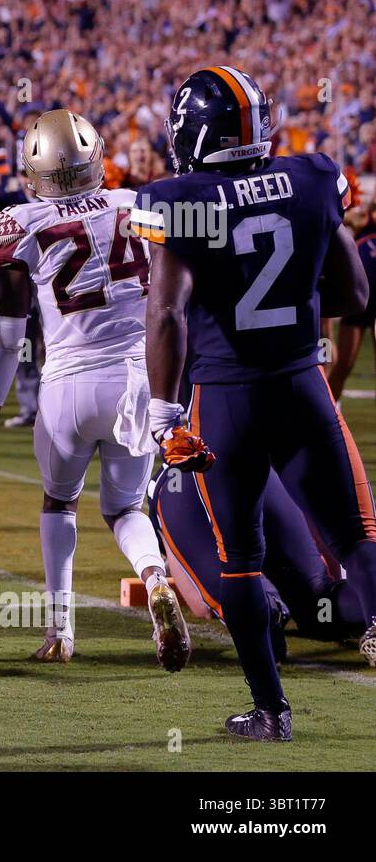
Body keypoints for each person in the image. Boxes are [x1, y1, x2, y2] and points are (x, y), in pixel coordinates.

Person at [143, 66, 376, 741]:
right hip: (302, 385)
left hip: (225, 397)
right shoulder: (311, 178)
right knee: (357, 535)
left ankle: (271, 712)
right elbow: (356, 296)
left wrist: (163, 413)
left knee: (240, 556)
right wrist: (291, 312)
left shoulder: (178, 198)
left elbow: (166, 313)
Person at [0, 108, 189, 670]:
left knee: (59, 499)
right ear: (97, 158)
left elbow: (8, 336)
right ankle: (156, 577)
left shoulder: (20, 223)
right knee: (124, 507)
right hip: (137, 379)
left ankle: (60, 630)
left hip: (66, 384)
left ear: (34, 170)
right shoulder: (140, 204)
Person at [152, 466, 371, 654]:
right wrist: (323, 586)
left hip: (179, 482)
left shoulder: (168, 483)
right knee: (322, 606)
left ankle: (268, 608)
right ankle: (368, 608)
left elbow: (201, 607)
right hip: (258, 469)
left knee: (249, 605)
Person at [326, 201, 376, 401]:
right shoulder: (362, 218)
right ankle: (330, 410)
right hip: (359, 300)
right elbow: (340, 215)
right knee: (344, 364)